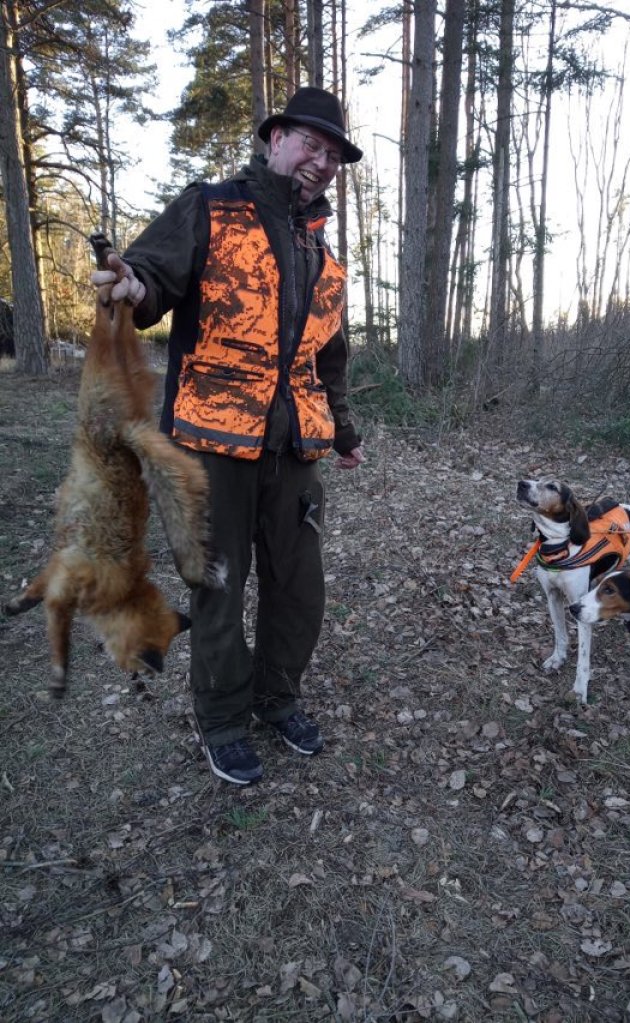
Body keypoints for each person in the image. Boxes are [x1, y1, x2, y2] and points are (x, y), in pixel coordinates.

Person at [92, 87, 365, 786]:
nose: (321, 160)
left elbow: (326, 355)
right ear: (275, 138)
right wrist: (130, 287)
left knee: (299, 587)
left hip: (295, 449)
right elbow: (150, 274)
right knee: (219, 583)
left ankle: (279, 698)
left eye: (332, 153)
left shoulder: (322, 250)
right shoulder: (211, 208)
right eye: (311, 143)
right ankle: (221, 716)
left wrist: (342, 431)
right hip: (213, 443)